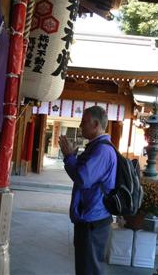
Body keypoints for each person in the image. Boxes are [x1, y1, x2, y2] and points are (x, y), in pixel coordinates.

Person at [59, 106, 117, 275]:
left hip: (93, 219)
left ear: (96, 124)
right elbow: (83, 176)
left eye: (84, 122)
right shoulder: (96, 147)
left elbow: (83, 178)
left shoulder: (102, 150)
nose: (80, 125)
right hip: (90, 217)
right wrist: (71, 158)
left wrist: (70, 157)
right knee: (86, 268)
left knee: (89, 269)